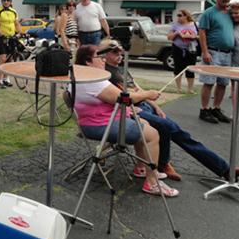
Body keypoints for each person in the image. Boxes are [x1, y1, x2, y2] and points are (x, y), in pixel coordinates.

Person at [100, 39, 239, 182]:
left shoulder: (121, 68)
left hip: (142, 106)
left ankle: (224, 169)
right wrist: (145, 98)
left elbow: (137, 88)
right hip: (131, 111)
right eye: (115, 53)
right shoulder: (106, 74)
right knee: (169, 128)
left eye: (120, 52)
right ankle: (164, 163)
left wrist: (155, 105)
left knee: (179, 133)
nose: (119, 56)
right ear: (104, 54)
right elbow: (123, 98)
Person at [72, 44, 178, 197]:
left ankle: (142, 167)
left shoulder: (78, 77)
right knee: (153, 134)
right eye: (99, 57)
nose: (103, 60)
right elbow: (125, 98)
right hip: (100, 125)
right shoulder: (95, 81)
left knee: (145, 124)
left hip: (90, 122)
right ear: (88, 62)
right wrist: (148, 94)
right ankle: (152, 182)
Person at [197, 0, 234, 124]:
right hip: (213, 52)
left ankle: (216, 108)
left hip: (227, 53)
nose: (226, 0)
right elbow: (202, 33)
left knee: (223, 83)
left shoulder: (231, 12)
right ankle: (204, 109)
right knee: (209, 82)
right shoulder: (209, 13)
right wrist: (205, 51)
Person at [0, 0, 22, 89]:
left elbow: (16, 24)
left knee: (10, 59)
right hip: (2, 37)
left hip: (11, 37)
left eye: (8, 0)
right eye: (4, 0)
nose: (6, 2)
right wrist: (1, 35)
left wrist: (21, 32)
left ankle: (6, 79)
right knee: (3, 59)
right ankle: (0, 81)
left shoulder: (14, 11)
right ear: (2, 1)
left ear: (10, 2)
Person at [167, 10, 198, 94]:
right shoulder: (175, 25)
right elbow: (169, 37)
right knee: (178, 68)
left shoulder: (193, 24)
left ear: (186, 16)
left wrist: (192, 36)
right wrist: (177, 33)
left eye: (180, 15)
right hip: (178, 48)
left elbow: (198, 36)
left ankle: (190, 89)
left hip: (191, 48)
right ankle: (178, 88)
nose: (178, 17)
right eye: (177, 15)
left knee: (190, 69)